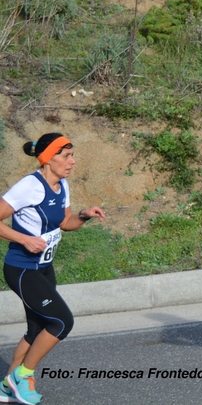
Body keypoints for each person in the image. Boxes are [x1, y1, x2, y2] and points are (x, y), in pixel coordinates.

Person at [0, 133, 106, 405]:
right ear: (48, 159)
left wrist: (83, 215)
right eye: (66, 155)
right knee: (61, 322)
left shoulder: (63, 185)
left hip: (45, 268)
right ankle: (23, 376)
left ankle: (6, 387)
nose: (72, 161)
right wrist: (23, 239)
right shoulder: (29, 186)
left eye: (72, 155)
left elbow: (64, 222)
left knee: (37, 329)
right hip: (23, 270)